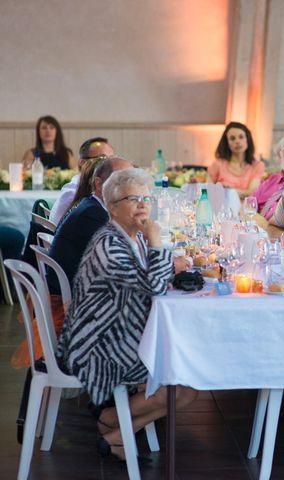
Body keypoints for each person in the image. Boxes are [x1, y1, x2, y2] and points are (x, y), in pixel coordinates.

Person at [56, 168, 198, 461]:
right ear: (111, 206)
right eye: (133, 199)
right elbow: (155, 289)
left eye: (147, 198)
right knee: (185, 385)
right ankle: (112, 420)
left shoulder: (126, 237)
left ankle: (116, 431)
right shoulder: (110, 244)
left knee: (186, 371)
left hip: (115, 332)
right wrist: (157, 241)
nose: (143, 205)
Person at [47, 157, 133, 295]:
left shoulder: (93, 207)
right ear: (99, 184)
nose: (130, 188)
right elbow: (120, 268)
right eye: (120, 179)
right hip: (73, 305)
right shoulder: (92, 216)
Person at [49, 137, 115, 225]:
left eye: (112, 158)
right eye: (102, 159)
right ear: (83, 163)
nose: (111, 164)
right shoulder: (77, 190)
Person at [208, 122, 265, 198]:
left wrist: (228, 191)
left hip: (247, 208)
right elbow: (207, 191)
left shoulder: (258, 166)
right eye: (232, 138)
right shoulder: (217, 164)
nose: (237, 141)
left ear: (247, 140)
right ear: (227, 143)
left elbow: (252, 193)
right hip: (222, 208)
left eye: (241, 137)